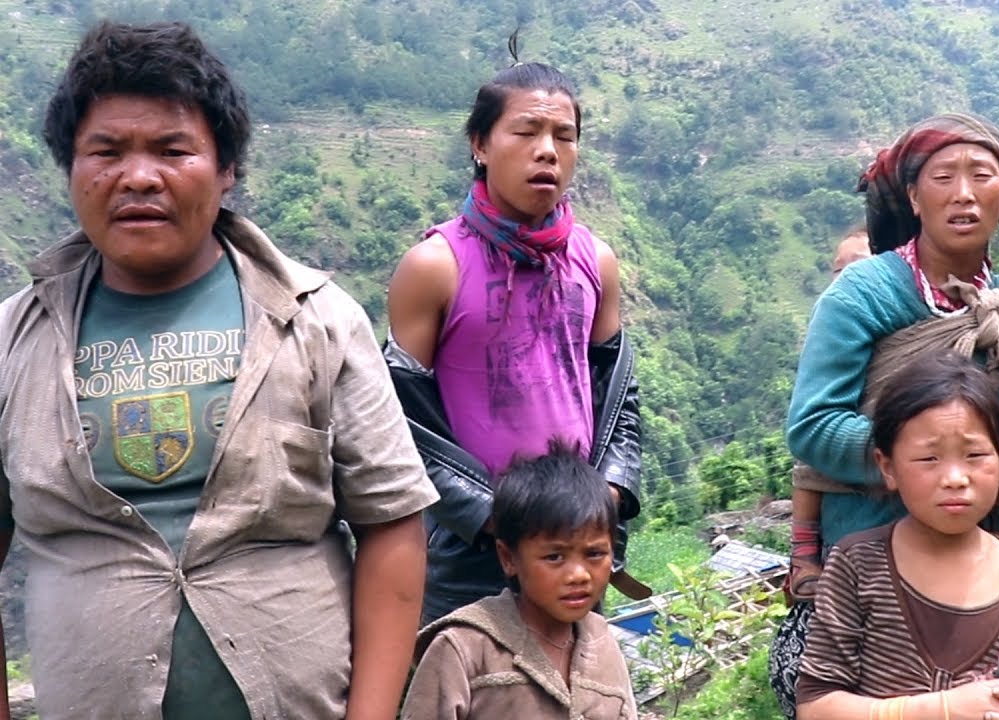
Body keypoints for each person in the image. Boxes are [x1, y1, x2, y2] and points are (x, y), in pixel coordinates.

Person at [0, 21, 438, 720]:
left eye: (173, 150)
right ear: (71, 169)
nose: (138, 177)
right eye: (106, 151)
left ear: (227, 168)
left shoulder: (320, 321)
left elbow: (392, 525)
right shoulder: (12, 342)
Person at [770, 113, 999, 719]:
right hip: (871, 567)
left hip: (989, 571)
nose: (963, 194)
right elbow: (814, 424)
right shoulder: (865, 294)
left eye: (981, 176)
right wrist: (924, 464)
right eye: (943, 177)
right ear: (913, 196)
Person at [384, 39, 642, 623]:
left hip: (577, 545)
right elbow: (400, 422)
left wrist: (606, 498)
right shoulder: (435, 267)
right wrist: (499, 519)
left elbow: (618, 397)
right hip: (469, 552)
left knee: (579, 677)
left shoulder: (596, 261)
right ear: (480, 144)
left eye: (564, 136)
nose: (547, 150)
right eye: (526, 132)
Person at [797, 352, 999, 720]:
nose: (955, 478)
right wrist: (945, 708)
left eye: (975, 454)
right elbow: (815, 707)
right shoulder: (858, 564)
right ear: (887, 467)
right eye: (929, 459)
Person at [402, 443, 638, 720]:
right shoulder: (464, 647)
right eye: (554, 557)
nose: (579, 575)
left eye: (595, 554)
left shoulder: (602, 642)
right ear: (508, 558)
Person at [789, 225, 873, 601]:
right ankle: (803, 554)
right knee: (808, 465)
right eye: (839, 269)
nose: (846, 277)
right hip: (835, 434)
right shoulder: (831, 318)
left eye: (858, 266)